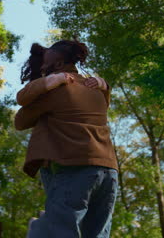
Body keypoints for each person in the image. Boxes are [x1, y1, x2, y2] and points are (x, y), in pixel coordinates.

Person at [14, 40, 118, 238]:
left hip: (75, 168)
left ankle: (39, 229)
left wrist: (45, 84)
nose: (43, 68)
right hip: (108, 171)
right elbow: (102, 105)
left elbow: (20, 120)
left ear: (59, 65)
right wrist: (105, 86)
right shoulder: (95, 88)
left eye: (45, 64)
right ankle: (42, 227)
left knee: (57, 231)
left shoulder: (57, 89)